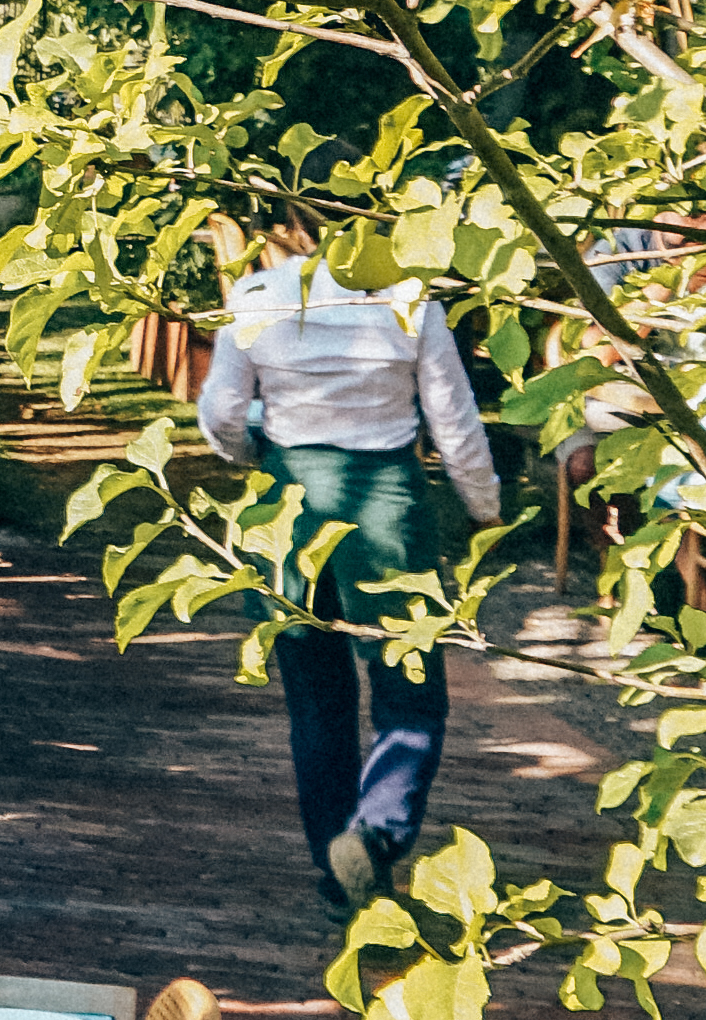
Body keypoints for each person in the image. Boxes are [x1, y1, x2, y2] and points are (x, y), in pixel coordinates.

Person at [194, 222, 502, 899]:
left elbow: (220, 412)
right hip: (386, 509)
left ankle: (334, 871)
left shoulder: (256, 297)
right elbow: (454, 422)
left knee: (316, 699)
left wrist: (258, 456)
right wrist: (485, 508)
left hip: (286, 511)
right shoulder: (411, 301)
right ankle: (375, 834)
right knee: (411, 693)